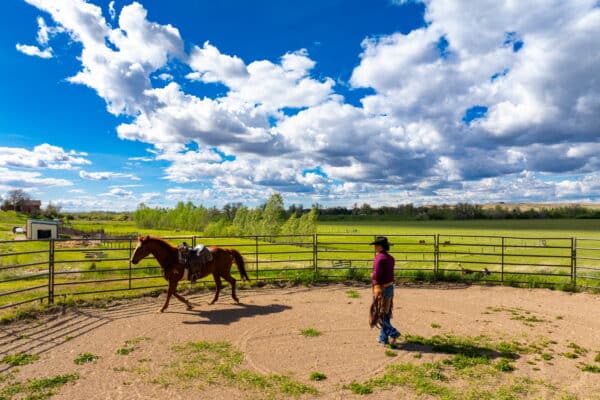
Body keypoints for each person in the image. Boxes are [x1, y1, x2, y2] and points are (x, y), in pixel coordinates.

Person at [370, 236, 400, 346]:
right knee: (385, 313)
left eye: (376, 245)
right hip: (390, 287)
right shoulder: (390, 258)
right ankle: (383, 339)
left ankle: (393, 332)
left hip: (381, 288)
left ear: (380, 246)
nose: (375, 247)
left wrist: (373, 276)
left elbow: (377, 275)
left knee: (379, 314)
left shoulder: (379, 258)